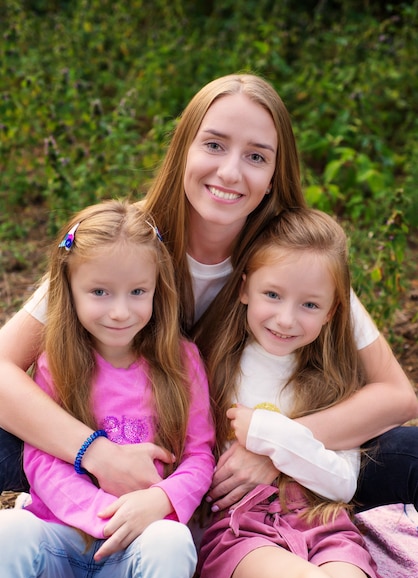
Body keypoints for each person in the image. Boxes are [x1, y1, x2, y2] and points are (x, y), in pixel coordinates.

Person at [0, 73, 416, 516]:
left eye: (256, 156)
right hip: (125, 450)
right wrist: (97, 454)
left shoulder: (292, 258)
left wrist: (273, 446)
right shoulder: (127, 242)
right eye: (214, 145)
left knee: (407, 451)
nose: (230, 171)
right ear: (183, 150)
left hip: (231, 464)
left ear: (275, 175)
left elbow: (396, 396)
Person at [0, 200, 215, 578]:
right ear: (70, 289)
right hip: (61, 556)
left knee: (172, 542)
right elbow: (41, 458)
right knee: (9, 531)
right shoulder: (55, 361)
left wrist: (157, 501)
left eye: (138, 292)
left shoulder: (181, 362)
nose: (120, 311)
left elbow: (199, 456)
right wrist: (101, 514)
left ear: (158, 288)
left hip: (128, 571)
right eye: (99, 292)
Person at [195, 207, 402, 578]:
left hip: (324, 524)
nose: (287, 319)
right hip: (242, 533)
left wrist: (272, 434)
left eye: (309, 304)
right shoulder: (212, 367)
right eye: (273, 295)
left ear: (331, 313)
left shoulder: (332, 383)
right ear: (244, 289)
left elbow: (342, 482)